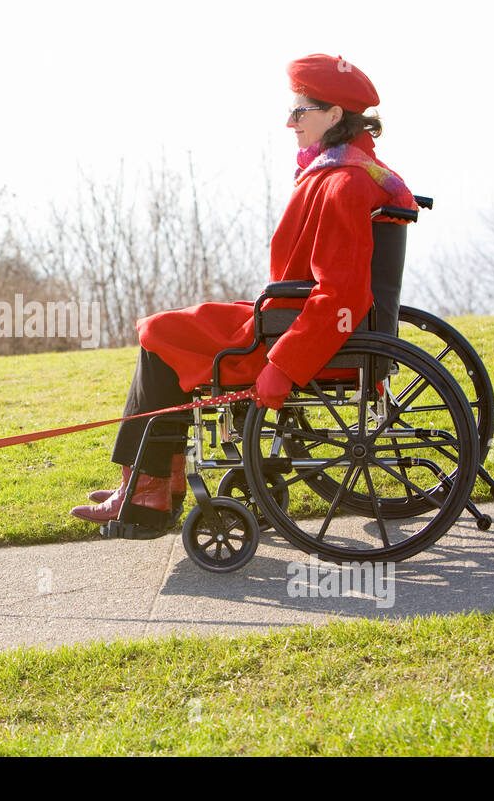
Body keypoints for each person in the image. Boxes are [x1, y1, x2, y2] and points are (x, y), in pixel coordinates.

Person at [70, 53, 417, 536]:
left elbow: (342, 296)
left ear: (334, 115)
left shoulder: (343, 183)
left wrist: (285, 366)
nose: (289, 122)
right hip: (288, 317)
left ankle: (148, 486)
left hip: (291, 336)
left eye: (300, 111)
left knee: (159, 336)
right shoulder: (351, 172)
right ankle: (153, 481)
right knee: (164, 330)